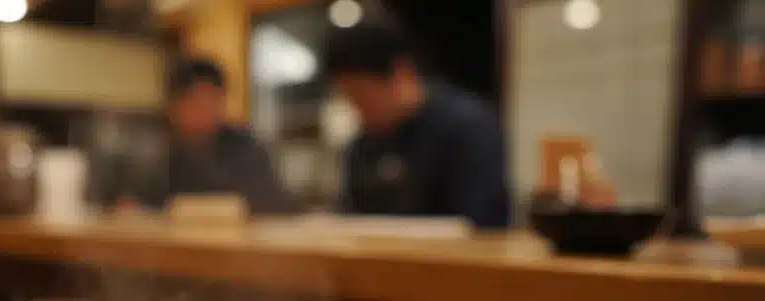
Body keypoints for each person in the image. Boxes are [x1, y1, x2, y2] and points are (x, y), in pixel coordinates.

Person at [325, 22, 511, 230]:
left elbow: (484, 226)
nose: (358, 112)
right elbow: (349, 220)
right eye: (350, 100)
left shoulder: (469, 128)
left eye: (362, 97)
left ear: (402, 73)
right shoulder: (362, 147)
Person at [121, 58, 297, 215]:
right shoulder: (159, 155)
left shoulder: (246, 149)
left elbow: (274, 208)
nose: (205, 114)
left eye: (212, 103)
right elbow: (135, 205)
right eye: (195, 104)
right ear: (173, 107)